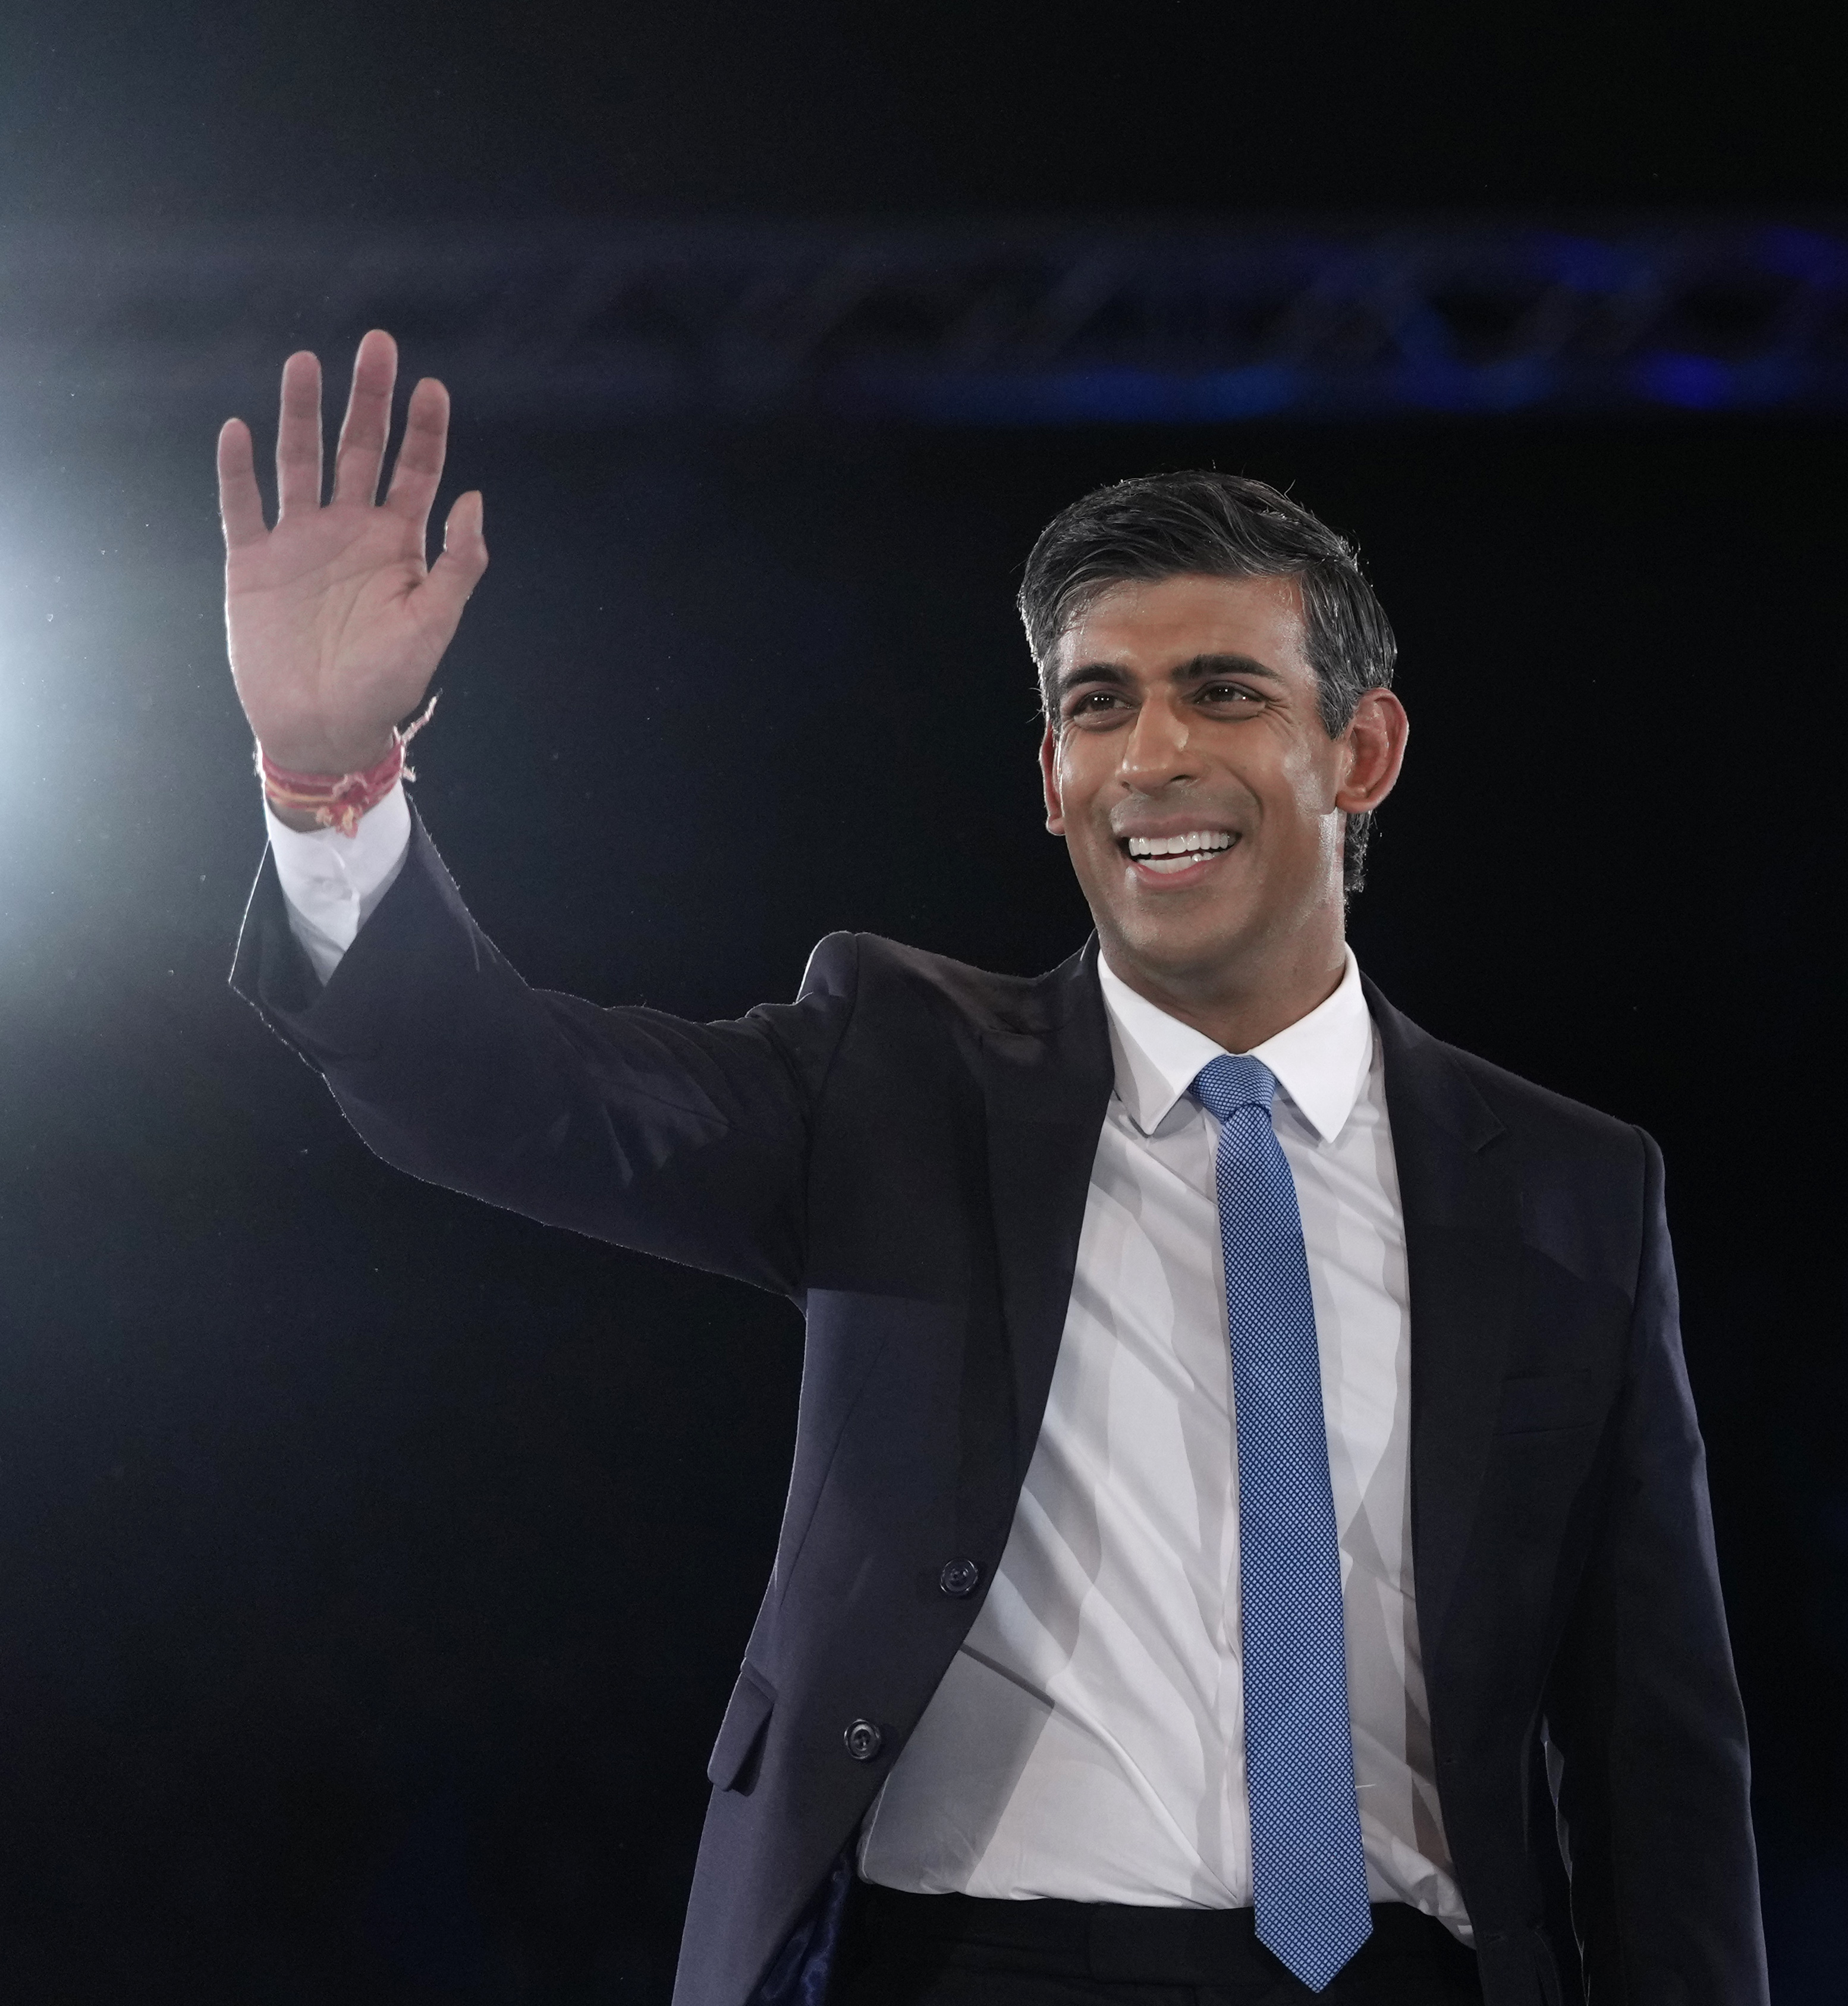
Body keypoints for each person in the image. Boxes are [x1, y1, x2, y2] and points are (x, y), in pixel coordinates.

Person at [220, 332, 1766, 2006]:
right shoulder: (894, 1072)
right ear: (1051, 778)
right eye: (1099, 706)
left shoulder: (1569, 1188)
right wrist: (329, 788)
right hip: (974, 1969)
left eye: (1224, 693)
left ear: (1362, 752)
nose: (1152, 756)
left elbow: (1655, 1758)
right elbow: (506, 1094)